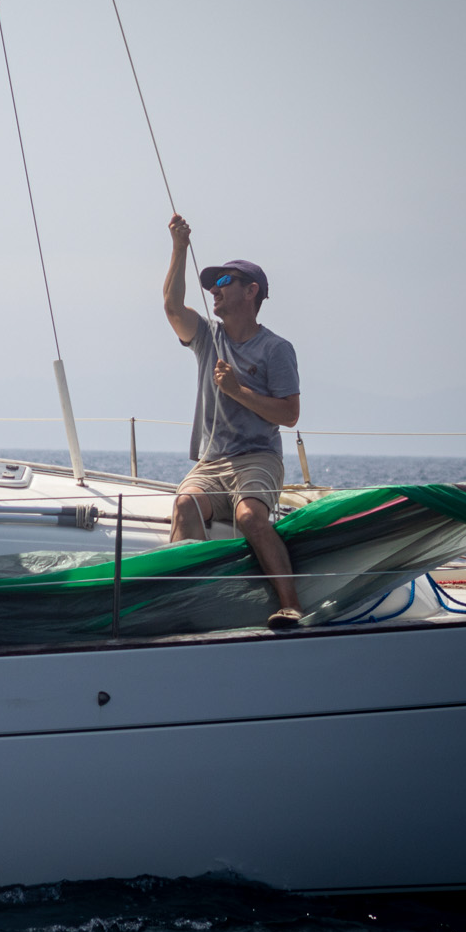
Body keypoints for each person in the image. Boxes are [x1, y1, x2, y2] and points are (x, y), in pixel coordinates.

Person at [163, 214, 303, 629]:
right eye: (212, 285)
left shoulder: (276, 349)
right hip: (211, 462)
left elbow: (290, 415)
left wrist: (238, 391)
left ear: (251, 291)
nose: (214, 291)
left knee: (249, 517)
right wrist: (179, 248)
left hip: (257, 457)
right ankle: (185, 606)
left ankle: (291, 605)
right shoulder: (208, 336)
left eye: (224, 282)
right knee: (185, 504)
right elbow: (172, 307)